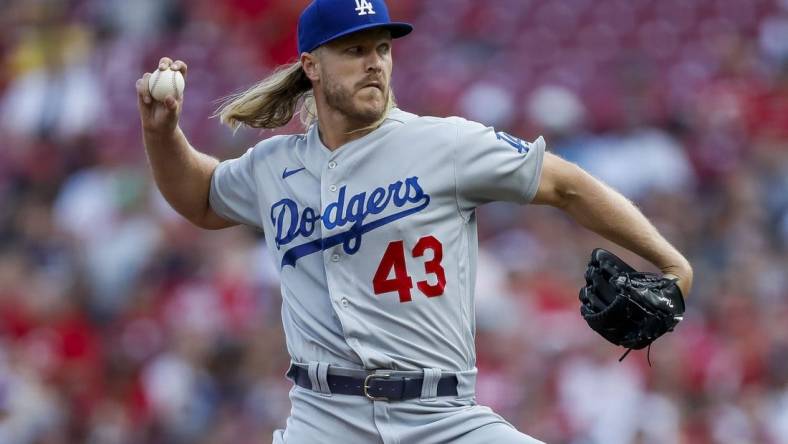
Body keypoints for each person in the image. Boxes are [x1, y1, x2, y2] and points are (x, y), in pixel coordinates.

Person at [135, 0, 693, 442]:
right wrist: (162, 133)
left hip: (443, 417)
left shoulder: (444, 143)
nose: (374, 61)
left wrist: (671, 262)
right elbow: (202, 198)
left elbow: (568, 185)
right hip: (325, 419)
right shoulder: (273, 167)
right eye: (354, 50)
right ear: (311, 66)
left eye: (381, 47)